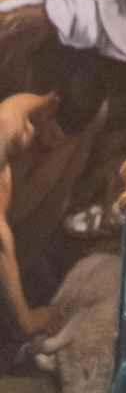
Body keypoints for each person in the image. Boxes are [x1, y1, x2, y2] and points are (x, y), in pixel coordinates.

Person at [0, 89, 59, 338]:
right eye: (25, 127)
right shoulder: (5, 133)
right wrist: (28, 320)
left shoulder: (11, 119)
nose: (30, 130)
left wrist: (45, 103)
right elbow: (3, 246)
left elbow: (18, 108)